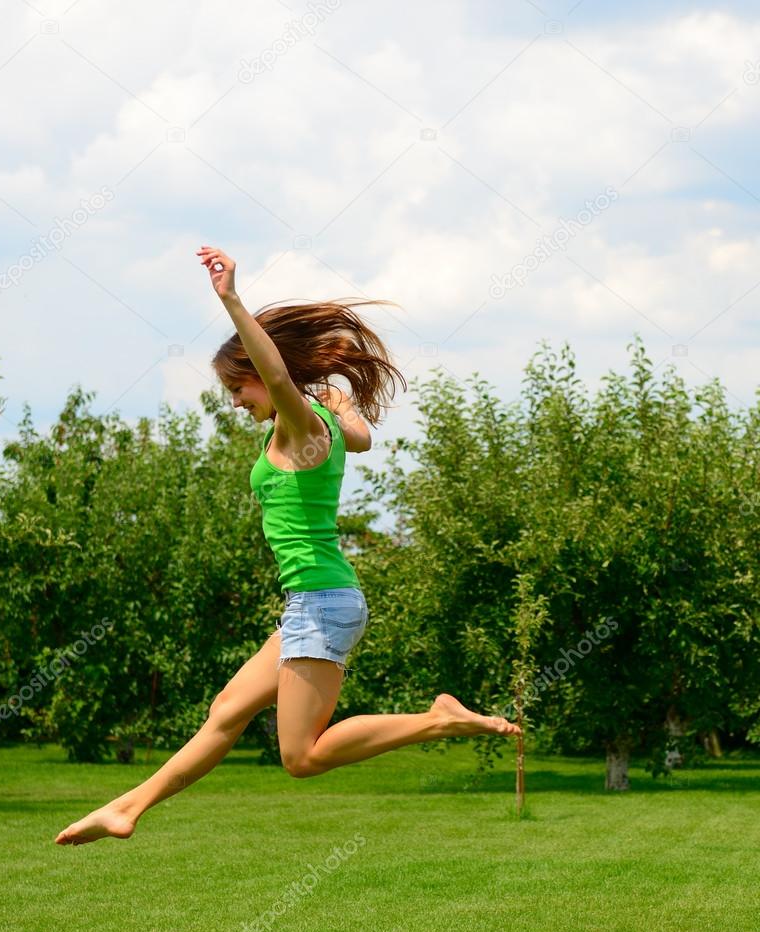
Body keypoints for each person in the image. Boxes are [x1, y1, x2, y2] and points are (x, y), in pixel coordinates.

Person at [54, 246, 519, 847]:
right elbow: (360, 439)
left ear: (259, 373)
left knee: (301, 756)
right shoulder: (316, 424)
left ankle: (438, 721)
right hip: (310, 604)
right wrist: (346, 410)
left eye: (236, 388)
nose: (235, 402)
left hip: (323, 602)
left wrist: (230, 301)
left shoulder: (299, 426)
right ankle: (129, 809)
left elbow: (280, 377)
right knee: (226, 712)